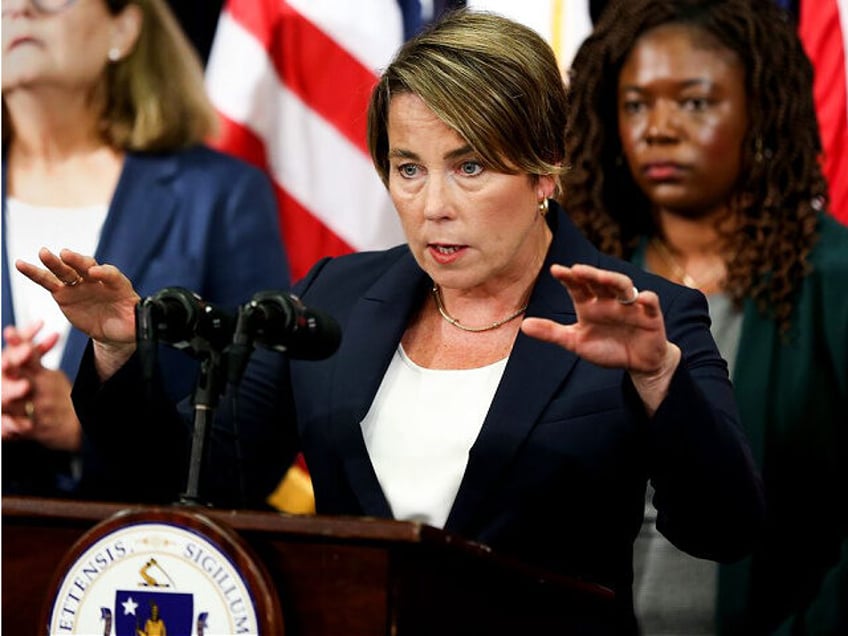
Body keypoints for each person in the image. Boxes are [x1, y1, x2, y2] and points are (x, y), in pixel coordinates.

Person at [16, 9, 765, 632]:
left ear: (544, 169)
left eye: (469, 167)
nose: (433, 202)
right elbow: (193, 486)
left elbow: (722, 529)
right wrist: (118, 352)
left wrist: (659, 378)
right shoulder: (334, 297)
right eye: (409, 168)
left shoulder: (648, 317)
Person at [562, 0, 848, 633]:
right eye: (636, 104)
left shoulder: (833, 278)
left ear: (761, 111)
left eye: (694, 103)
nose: (658, 128)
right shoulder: (584, 283)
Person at [1, 0, 290, 499]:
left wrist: (87, 425)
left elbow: (258, 435)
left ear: (125, 26)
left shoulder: (218, 194)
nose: (20, 8)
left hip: (144, 553)